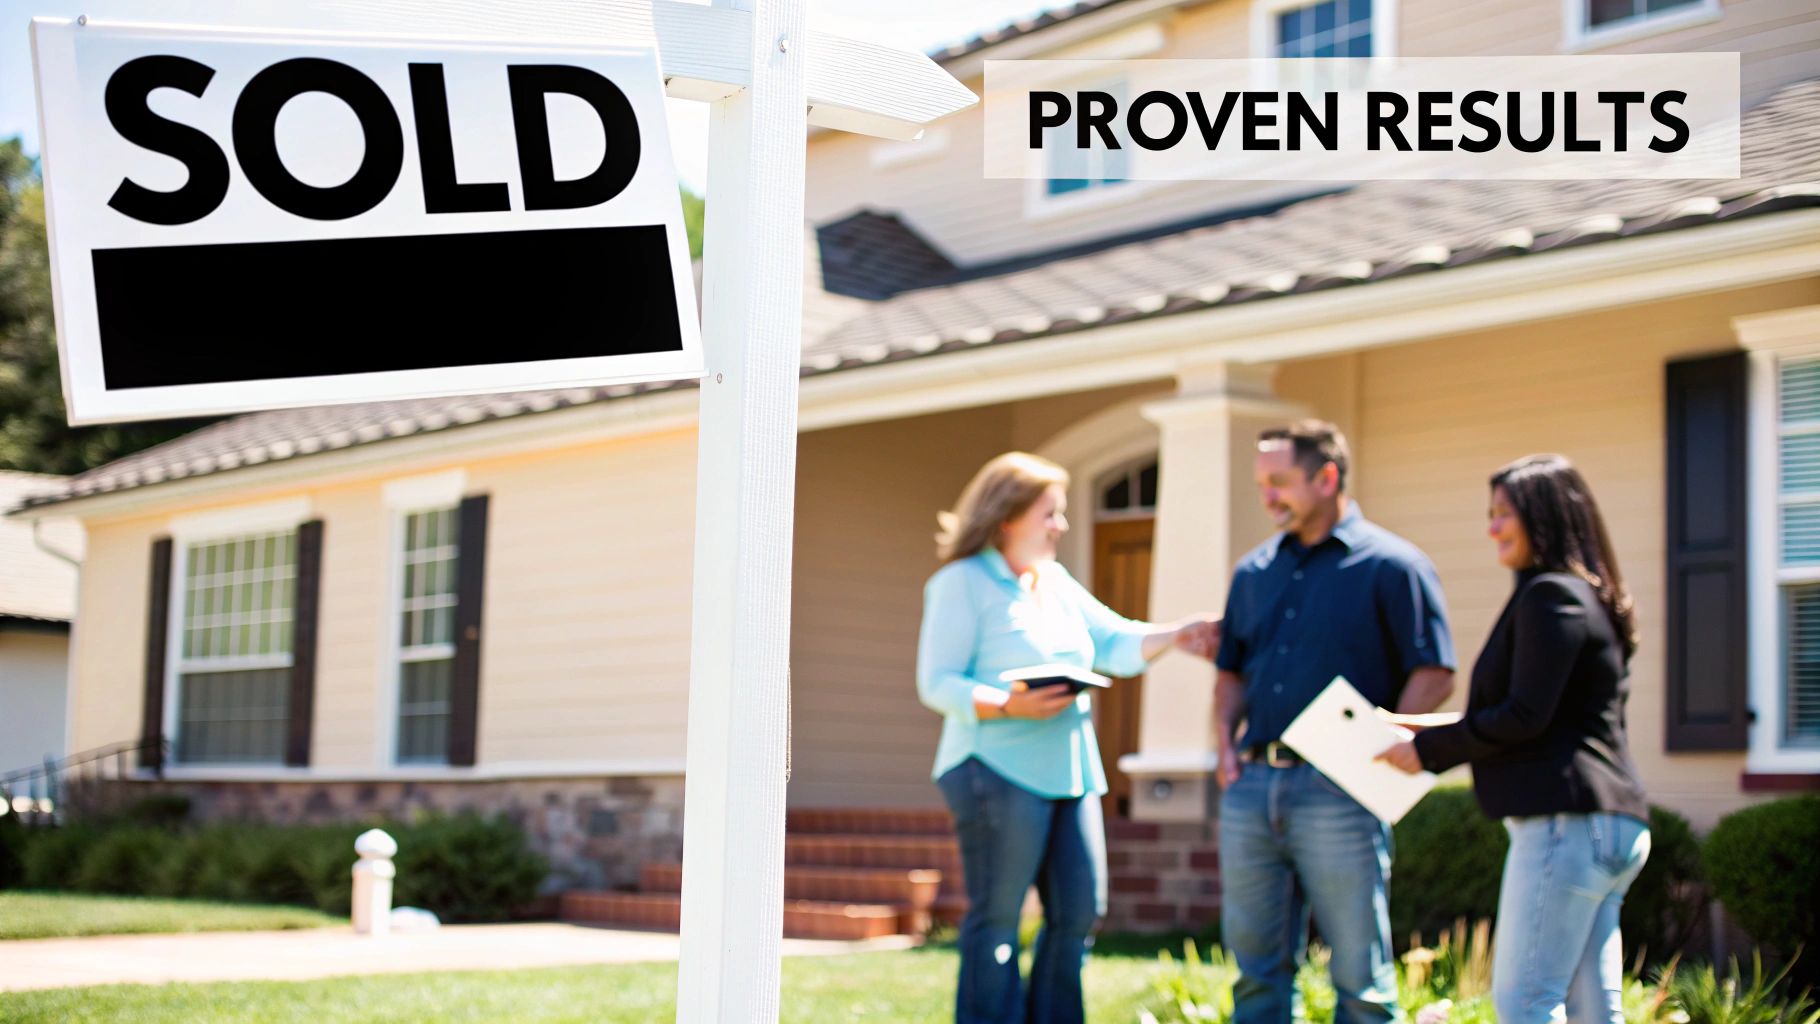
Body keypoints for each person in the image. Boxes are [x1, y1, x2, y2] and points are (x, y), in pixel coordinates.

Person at [917, 451, 1217, 1024]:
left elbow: (1115, 644)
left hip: (1073, 772)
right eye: (1050, 513)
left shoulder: (1052, 582)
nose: (1061, 526)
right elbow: (937, 683)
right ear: (1008, 517)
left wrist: (1178, 636)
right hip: (993, 769)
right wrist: (1010, 702)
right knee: (999, 916)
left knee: (1079, 911)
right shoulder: (961, 583)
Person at [1377, 454, 1650, 1024]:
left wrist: (1425, 754)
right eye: (1490, 513)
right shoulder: (1585, 596)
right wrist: (1420, 730)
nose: (1492, 527)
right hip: (1611, 824)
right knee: (1592, 1009)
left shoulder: (1550, 597)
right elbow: (1539, 715)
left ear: (1545, 517)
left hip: (1564, 824)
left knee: (1526, 1003)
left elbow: (1524, 716)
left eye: (1505, 513)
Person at [1214, 420, 1456, 1024]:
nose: (1267, 496)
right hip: (1251, 787)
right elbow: (1231, 673)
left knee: (1359, 977)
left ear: (1326, 477)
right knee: (1256, 973)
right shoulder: (1252, 572)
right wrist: (1223, 747)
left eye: (1279, 482)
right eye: (1261, 483)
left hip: (1341, 792)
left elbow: (1434, 671)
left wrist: (1383, 747)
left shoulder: (1394, 566)